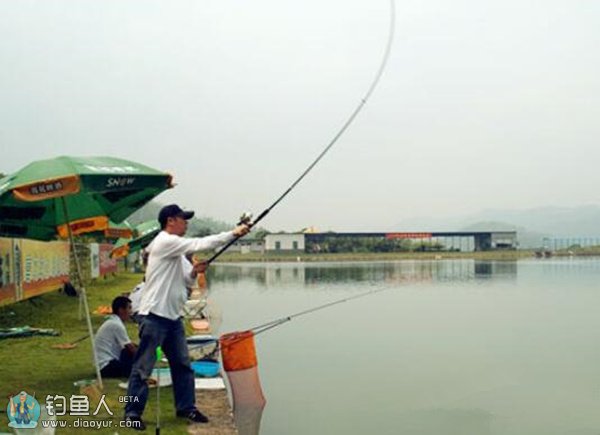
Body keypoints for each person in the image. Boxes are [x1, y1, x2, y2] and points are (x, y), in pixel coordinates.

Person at [124, 204, 250, 430]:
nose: (187, 223)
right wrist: (233, 233)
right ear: (170, 221)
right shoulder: (164, 241)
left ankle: (186, 407)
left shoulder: (178, 254)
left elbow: (187, 283)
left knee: (183, 365)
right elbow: (199, 243)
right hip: (154, 316)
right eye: (183, 219)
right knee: (143, 369)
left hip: (173, 319)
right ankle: (132, 412)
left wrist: (194, 271)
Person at [94, 296, 137, 378]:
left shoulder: (113, 321)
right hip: (106, 366)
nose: (131, 312)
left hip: (104, 364)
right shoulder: (116, 325)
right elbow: (130, 348)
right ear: (121, 310)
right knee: (131, 353)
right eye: (129, 308)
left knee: (133, 349)